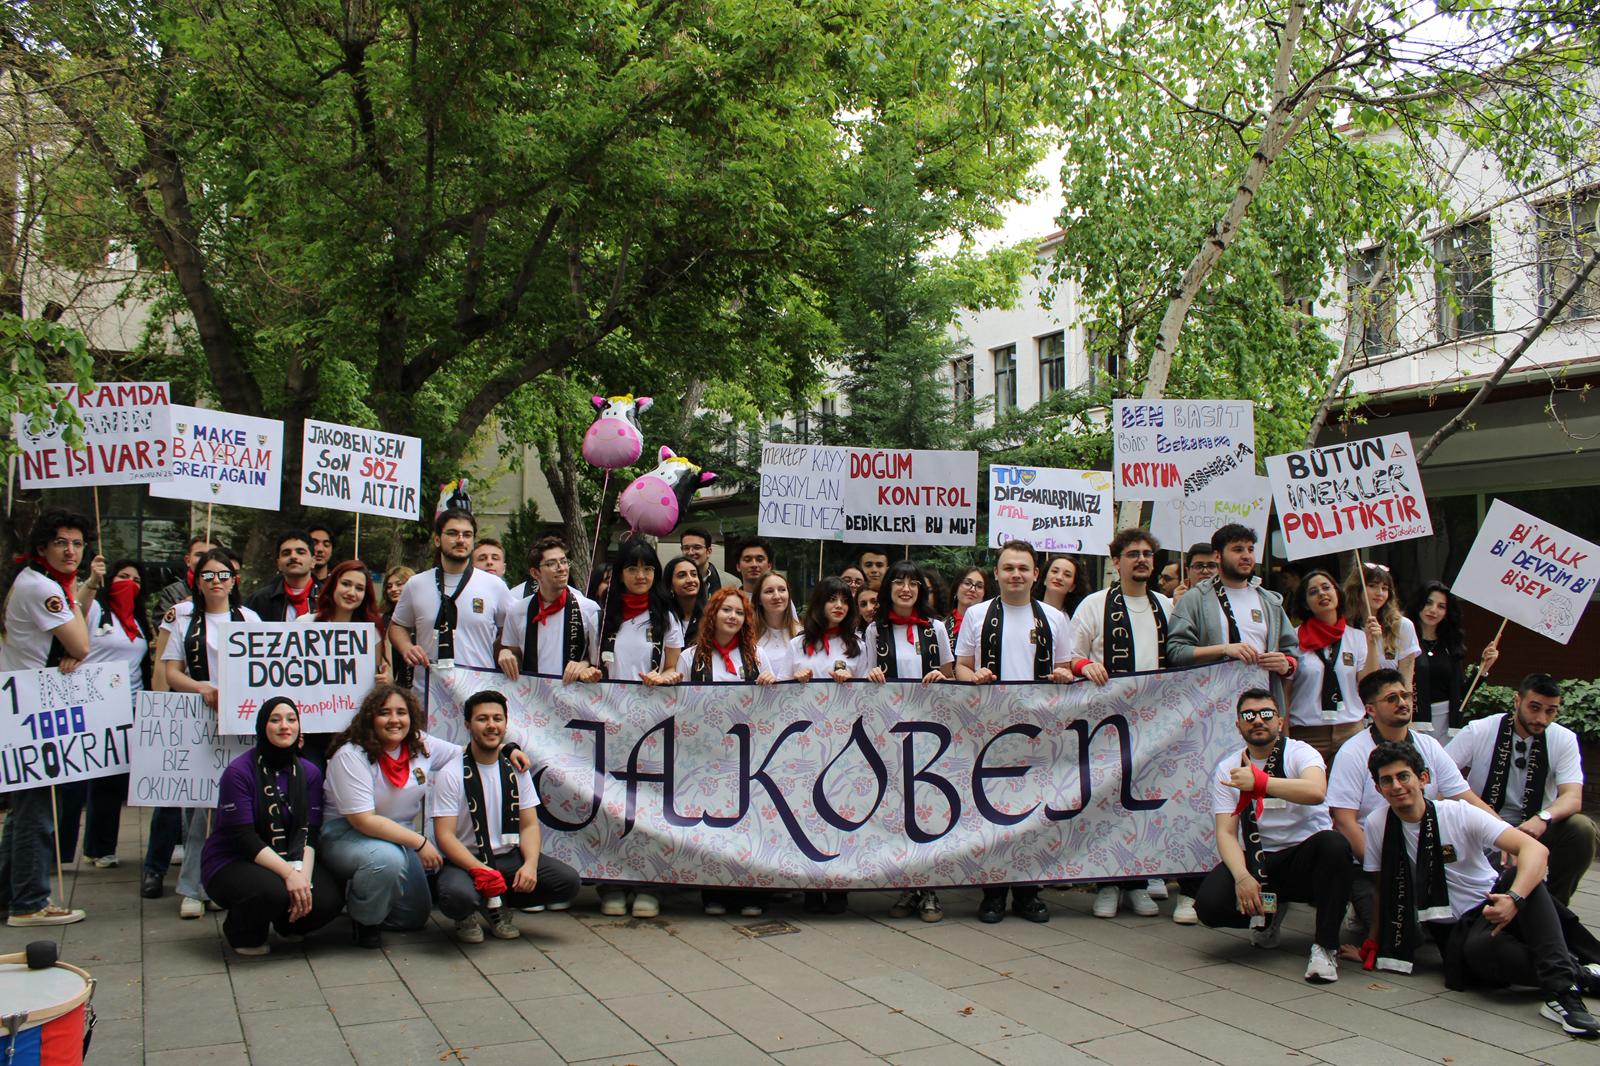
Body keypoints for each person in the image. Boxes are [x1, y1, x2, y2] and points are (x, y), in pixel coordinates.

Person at [1362, 742, 1600, 1038]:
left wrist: (1513, 899)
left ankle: (1563, 994)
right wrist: (1371, 943)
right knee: (1481, 951)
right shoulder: (1377, 824)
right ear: (1378, 788)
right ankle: (1582, 974)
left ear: (1423, 779)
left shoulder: (1459, 813)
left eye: (1403, 776)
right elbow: (1382, 888)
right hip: (1455, 929)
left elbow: (1535, 850)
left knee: (1519, 877)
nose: (1396, 786)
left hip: (1494, 900)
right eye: (1387, 780)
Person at [320, 683, 530, 948]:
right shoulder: (352, 755)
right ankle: (365, 921)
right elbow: (364, 820)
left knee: (413, 917)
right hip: (348, 834)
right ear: (370, 717)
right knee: (387, 860)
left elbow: (468, 752)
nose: (394, 720)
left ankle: (367, 893)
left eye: (401, 712)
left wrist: (509, 749)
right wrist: (419, 843)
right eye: (385, 713)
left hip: (399, 835)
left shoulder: (420, 743)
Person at [1328, 669, 1493, 954]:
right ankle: (1364, 908)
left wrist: (1507, 833)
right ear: (1370, 709)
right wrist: (1388, 869)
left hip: (1430, 856)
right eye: (1391, 698)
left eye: (1405, 695)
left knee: (1495, 870)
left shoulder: (1429, 746)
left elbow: (1465, 797)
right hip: (1377, 864)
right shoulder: (1353, 752)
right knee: (1408, 940)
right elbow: (1344, 821)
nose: (1403, 702)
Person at [1195, 688, 1351, 983]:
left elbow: (1316, 791)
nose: (1258, 720)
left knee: (1334, 846)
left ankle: (1325, 947)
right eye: (1249, 715)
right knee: (1209, 906)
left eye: (1266, 714)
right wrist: (1242, 877)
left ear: (1280, 721)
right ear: (1238, 725)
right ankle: (1268, 914)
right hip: (1260, 860)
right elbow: (1226, 832)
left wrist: (1262, 782)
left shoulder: (1301, 753)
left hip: (1305, 857)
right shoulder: (1229, 767)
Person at [954, 540, 1073, 924]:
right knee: (991, 811)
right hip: (989, 727)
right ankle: (992, 892)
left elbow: (1065, 667)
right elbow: (961, 666)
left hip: (1040, 729)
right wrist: (974, 677)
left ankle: (1028, 893)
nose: (1016, 574)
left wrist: (1063, 676)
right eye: (1008, 568)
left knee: (1035, 811)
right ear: (998, 573)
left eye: (1023, 568)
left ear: (1036, 574)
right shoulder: (977, 614)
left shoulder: (1054, 618)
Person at [1065, 529, 1175, 921]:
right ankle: (1108, 882)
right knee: (1109, 799)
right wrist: (1085, 666)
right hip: (1106, 721)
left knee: (1144, 800)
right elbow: (1071, 655)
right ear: (1116, 561)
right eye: (1133, 554)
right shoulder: (1095, 605)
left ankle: (1139, 881)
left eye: (1147, 553)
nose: (1141, 560)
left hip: (1156, 721)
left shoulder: (1166, 606)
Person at [0, 509, 92, 927]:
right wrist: (73, 641)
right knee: (37, 811)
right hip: (32, 710)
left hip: (25, 705)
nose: (71, 551)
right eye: (61, 543)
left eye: (77, 543)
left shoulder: (38, 582)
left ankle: (11, 894)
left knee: (25, 810)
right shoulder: (44, 588)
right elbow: (82, 644)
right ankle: (29, 903)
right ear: (42, 548)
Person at [161, 548, 265, 918]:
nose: (216, 581)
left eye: (223, 574)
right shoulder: (184, 619)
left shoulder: (249, 618)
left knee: (236, 805)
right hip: (199, 716)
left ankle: (224, 880)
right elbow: (172, 671)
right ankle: (193, 886)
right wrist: (201, 688)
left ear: (234, 580)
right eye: (208, 575)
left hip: (241, 720)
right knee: (199, 806)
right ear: (198, 581)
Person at [431, 691, 580, 942]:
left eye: (497, 718)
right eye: (482, 719)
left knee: (567, 882)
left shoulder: (516, 768)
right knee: (457, 898)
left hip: (507, 857)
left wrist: (530, 865)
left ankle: (499, 904)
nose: (491, 725)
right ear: (468, 724)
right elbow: (444, 836)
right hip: (467, 860)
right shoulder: (451, 773)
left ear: (506, 724)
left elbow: (529, 825)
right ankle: (468, 911)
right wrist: (479, 870)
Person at [201, 696, 344, 955]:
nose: (284, 726)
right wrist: (289, 875)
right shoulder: (239, 772)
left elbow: (310, 833)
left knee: (328, 899)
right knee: (272, 891)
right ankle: (243, 933)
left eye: (291, 719)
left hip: (290, 855)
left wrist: (303, 878)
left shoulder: (310, 773)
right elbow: (244, 838)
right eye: (275, 720)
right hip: (234, 859)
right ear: (262, 727)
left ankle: (288, 925)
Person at [1448, 674, 1595, 905]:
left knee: (1582, 829)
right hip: (1483, 822)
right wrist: (1499, 827)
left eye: (1550, 711)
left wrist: (1543, 817)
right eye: (1534, 708)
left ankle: (1555, 904)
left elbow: (1572, 796)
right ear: (1517, 701)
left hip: (1535, 826)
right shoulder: (1479, 730)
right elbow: (1442, 776)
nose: (1541, 718)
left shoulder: (1563, 739)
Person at [864, 561, 954, 925]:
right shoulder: (875, 630)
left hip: (930, 731)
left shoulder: (935, 628)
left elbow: (950, 675)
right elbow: (867, 676)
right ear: (888, 588)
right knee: (898, 809)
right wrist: (871, 675)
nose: (906, 588)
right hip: (890, 731)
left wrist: (942, 678)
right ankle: (907, 884)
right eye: (898, 582)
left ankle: (929, 886)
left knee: (929, 808)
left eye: (912, 583)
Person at [686, 587, 776, 917]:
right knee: (712, 824)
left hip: (748, 756)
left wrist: (771, 682)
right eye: (726, 610)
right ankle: (714, 891)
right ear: (713, 613)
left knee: (749, 824)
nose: (733, 617)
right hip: (707, 756)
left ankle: (750, 891)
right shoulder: (691, 657)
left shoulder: (757, 655)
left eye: (739, 612)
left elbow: (774, 704)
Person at [56, 559, 151, 869]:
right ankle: (63, 850)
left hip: (130, 706)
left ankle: (101, 847)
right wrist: (92, 582)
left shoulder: (138, 622)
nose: (130, 584)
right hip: (94, 704)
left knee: (112, 780)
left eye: (136, 580)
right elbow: (75, 610)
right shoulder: (96, 609)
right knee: (78, 782)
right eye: (123, 577)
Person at [1166, 523, 1298, 713]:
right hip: (1212, 710)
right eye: (1237, 549)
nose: (1246, 556)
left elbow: (1292, 652)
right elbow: (1176, 652)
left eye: (1250, 549)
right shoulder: (1195, 599)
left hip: (1262, 711)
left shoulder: (1269, 602)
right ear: (1217, 556)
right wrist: (1225, 649)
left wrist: (1286, 665)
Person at [391, 509, 514, 697]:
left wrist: (504, 650)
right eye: (452, 533)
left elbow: (512, 629)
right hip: (428, 693)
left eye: (467, 535)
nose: (461, 540)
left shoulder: (494, 586)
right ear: (437, 539)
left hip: (478, 694)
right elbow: (397, 625)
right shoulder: (416, 584)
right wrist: (406, 647)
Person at [1288, 570, 1381, 761]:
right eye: (1313, 592)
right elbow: (1285, 690)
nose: (1322, 594)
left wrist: (1372, 643)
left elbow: (1369, 685)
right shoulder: (1293, 639)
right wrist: (1283, 735)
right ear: (1305, 603)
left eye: (1326, 587)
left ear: (1337, 593)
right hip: (1307, 734)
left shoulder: (1357, 637)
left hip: (1350, 731)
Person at [496, 535, 601, 683]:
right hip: (532, 692)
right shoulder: (517, 611)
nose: (561, 568)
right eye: (551, 563)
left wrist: (584, 665)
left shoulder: (589, 608)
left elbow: (596, 659)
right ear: (535, 573)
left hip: (573, 691)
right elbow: (515, 655)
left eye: (564, 561)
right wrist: (506, 654)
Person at [1408, 581, 1499, 738]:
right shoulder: (1404, 640)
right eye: (1428, 602)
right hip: (1412, 719)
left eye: (1441, 606)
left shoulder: (1450, 645)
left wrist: (1483, 668)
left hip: (1447, 725)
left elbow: (1461, 693)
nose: (1433, 610)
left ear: (1446, 612)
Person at [596, 539, 683, 685]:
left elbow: (671, 667)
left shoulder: (666, 617)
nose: (641, 576)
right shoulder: (601, 618)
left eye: (647, 569)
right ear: (620, 575)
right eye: (632, 569)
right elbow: (593, 664)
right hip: (608, 699)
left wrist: (662, 678)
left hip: (652, 697)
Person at [1344, 562, 1419, 694]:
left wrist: (1406, 704)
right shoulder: (1344, 627)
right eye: (1372, 586)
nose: (1379, 593)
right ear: (1357, 588)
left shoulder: (1402, 626)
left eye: (1384, 588)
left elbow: (1406, 680)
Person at [790, 577, 868, 682]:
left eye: (844, 601)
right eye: (832, 599)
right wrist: (795, 680)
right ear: (819, 603)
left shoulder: (858, 645)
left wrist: (850, 682)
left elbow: (865, 689)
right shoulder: (796, 644)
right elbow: (780, 686)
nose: (839, 605)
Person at [244, 530, 321, 621]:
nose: (293, 556)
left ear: (313, 561)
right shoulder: (259, 600)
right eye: (286, 553)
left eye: (300, 552)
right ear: (278, 563)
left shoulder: (328, 597)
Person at [754, 571, 799, 683]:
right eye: (769, 591)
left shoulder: (802, 634)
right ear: (759, 599)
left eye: (782, 590)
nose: (777, 596)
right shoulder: (748, 636)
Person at [157, 536, 214, 615]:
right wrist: (181, 610)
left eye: (212, 555)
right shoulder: (171, 593)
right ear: (188, 560)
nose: (206, 559)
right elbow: (162, 621)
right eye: (199, 555)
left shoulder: (228, 590)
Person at [381, 565, 416, 690]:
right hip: (392, 687)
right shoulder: (384, 619)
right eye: (389, 586)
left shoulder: (422, 617)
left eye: (399, 584)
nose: (393, 589)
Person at [664, 555, 706, 644]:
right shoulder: (663, 616)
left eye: (694, 574)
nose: (690, 580)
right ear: (670, 585)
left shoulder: (711, 615)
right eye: (682, 575)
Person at [1036, 553, 1092, 618]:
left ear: (1072, 587)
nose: (1059, 577)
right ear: (1045, 579)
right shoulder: (1030, 610)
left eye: (1067, 575)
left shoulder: (1075, 618)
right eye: (1055, 571)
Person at [947, 567, 990, 643]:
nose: (972, 589)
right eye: (967, 583)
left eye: (979, 586)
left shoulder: (991, 627)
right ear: (956, 589)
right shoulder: (940, 627)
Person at [679, 526, 723, 595]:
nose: (690, 552)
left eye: (697, 547)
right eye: (686, 548)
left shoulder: (730, 582)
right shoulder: (673, 581)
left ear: (708, 552)